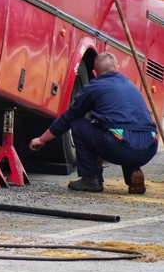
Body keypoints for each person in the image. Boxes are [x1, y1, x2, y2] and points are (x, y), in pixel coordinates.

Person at [29, 52, 158, 193]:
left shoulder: (93, 87)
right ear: (118, 68)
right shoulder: (131, 86)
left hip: (121, 147)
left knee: (78, 123)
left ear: (94, 73)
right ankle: (133, 173)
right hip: (149, 148)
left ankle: (90, 179)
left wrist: (42, 139)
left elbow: (69, 117)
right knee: (121, 129)